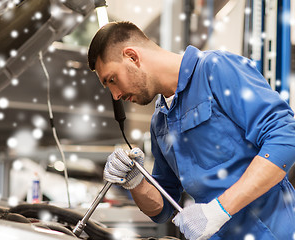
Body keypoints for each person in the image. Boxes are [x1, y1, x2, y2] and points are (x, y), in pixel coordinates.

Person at [87, 21, 295, 240]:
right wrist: (136, 182)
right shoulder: (160, 122)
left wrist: (220, 209)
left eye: (112, 79)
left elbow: (286, 136)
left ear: (132, 56)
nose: (115, 95)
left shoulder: (215, 69)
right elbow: (163, 208)